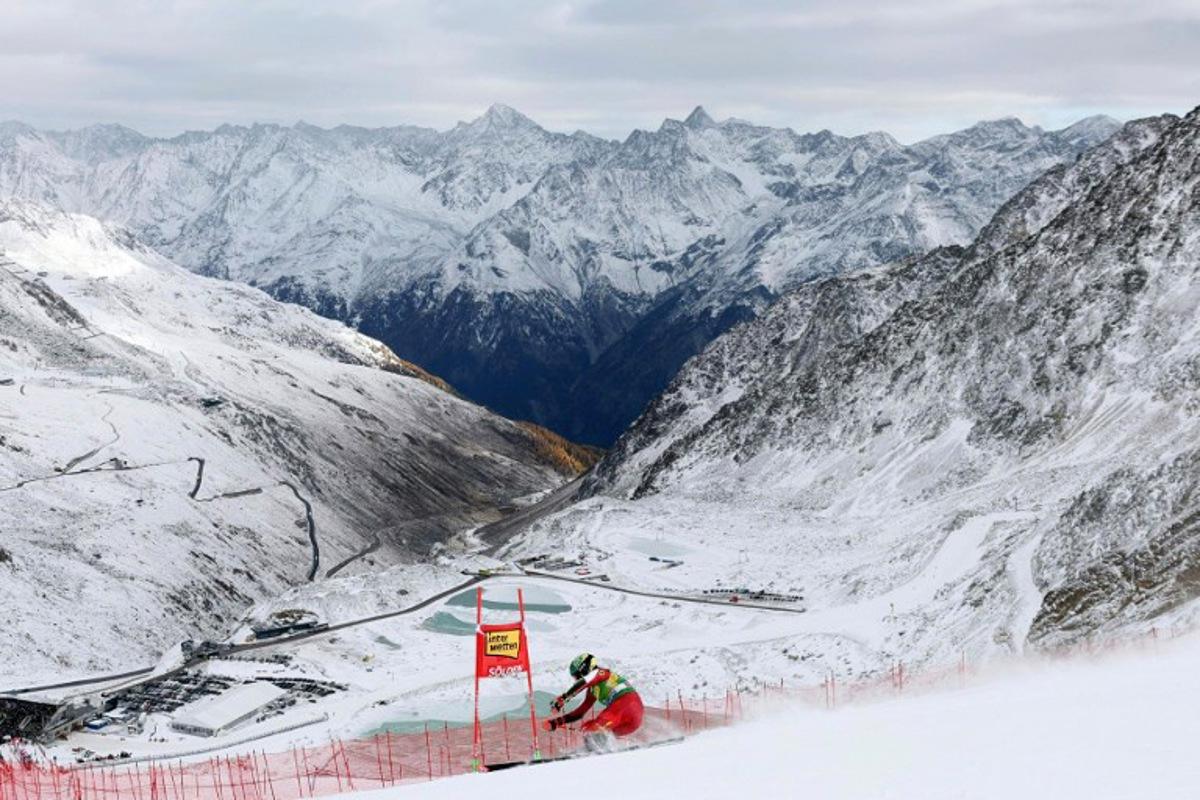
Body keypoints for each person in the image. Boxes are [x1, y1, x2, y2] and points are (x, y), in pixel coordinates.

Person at [542, 653, 644, 743]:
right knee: (590, 730)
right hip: (632, 720)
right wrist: (556, 722)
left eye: (577, 675)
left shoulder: (600, 672)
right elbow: (580, 712)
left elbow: (584, 682)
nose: (576, 679)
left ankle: (594, 753)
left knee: (591, 730)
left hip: (625, 703)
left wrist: (563, 699)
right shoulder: (592, 690)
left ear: (584, 669)